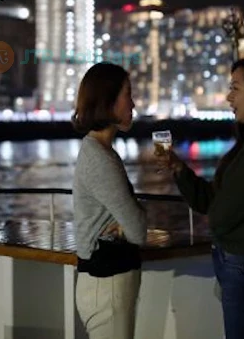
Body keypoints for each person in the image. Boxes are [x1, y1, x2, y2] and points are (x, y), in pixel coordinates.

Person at [155, 57, 244, 339]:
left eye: (236, 88)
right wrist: (178, 167)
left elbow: (218, 214)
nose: (228, 97)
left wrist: (216, 210)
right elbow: (210, 202)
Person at [73, 62, 148, 339]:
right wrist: (131, 217)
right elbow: (139, 230)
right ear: (108, 101)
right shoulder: (101, 159)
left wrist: (123, 221)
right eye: (128, 94)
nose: (133, 103)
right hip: (108, 286)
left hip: (106, 285)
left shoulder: (99, 151)